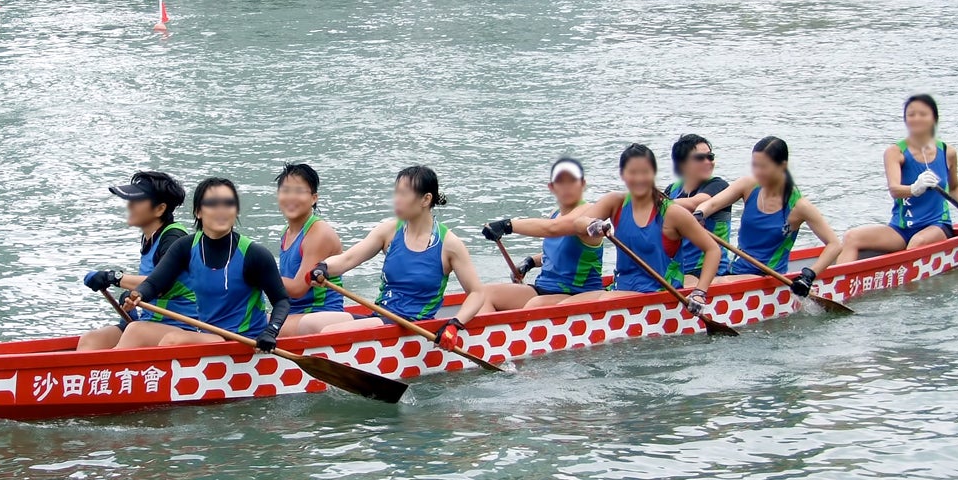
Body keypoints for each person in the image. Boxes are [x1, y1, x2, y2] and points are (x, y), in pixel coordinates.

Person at [305, 166, 487, 349]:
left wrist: (455, 324)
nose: (396, 201)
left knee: (329, 334)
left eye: (403, 194)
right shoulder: (390, 231)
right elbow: (347, 259)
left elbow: (477, 293)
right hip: (381, 316)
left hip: (411, 325)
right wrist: (323, 267)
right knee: (309, 324)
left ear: (426, 199)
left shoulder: (449, 244)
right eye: (396, 193)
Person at [109, 177, 292, 350]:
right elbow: (155, 283)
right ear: (198, 211)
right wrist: (138, 295)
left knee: (175, 340)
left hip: (243, 340)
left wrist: (271, 331)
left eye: (228, 204)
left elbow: (281, 301)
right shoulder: (186, 247)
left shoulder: (254, 254)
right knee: (135, 330)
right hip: (208, 335)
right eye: (212, 204)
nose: (221, 210)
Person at [573, 145, 721, 315]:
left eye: (645, 172)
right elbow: (578, 223)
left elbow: (712, 249)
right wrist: (592, 224)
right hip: (621, 288)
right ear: (622, 175)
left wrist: (700, 293)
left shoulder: (673, 213)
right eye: (633, 173)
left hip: (660, 293)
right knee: (572, 299)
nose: (639, 178)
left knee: (598, 299)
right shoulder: (616, 202)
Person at [838, 94, 958, 262]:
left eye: (923, 114)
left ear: (934, 118)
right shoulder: (895, 152)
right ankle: (839, 283)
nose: (916, 119)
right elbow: (895, 190)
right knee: (851, 237)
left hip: (937, 225)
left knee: (917, 243)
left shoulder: (948, 152)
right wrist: (915, 188)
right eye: (911, 114)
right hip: (901, 228)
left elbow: (954, 187)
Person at [695, 136, 844, 295]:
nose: (757, 172)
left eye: (764, 167)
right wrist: (700, 214)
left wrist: (808, 276)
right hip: (736, 270)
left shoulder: (799, 206)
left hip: (769, 278)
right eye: (755, 165)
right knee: (688, 280)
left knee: (714, 284)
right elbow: (712, 204)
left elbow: (835, 245)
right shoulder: (748, 186)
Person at [77, 171, 193, 351]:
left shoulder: (174, 238)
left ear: (159, 209)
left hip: (185, 327)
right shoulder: (150, 237)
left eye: (137, 201)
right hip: (150, 322)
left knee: (135, 332)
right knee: (91, 340)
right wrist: (129, 296)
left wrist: (112, 277)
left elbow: (160, 283)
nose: (129, 206)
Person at [477, 157, 612, 311]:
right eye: (561, 182)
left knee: (535, 305)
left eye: (572, 181)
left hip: (577, 293)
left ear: (583, 184)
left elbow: (552, 229)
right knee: (482, 294)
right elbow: (558, 252)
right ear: (552, 187)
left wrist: (507, 225)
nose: (566, 187)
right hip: (545, 288)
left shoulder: (589, 214)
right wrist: (529, 262)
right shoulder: (554, 214)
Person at [272, 163, 353, 335]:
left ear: (314, 198)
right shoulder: (286, 233)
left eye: (299, 191)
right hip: (295, 313)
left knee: (253, 326)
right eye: (285, 191)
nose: (291, 197)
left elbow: (297, 289)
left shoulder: (319, 232)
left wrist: (258, 276)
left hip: (319, 315)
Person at [663, 134, 730, 282]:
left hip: (709, 270)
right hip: (678, 268)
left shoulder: (719, 186)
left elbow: (695, 203)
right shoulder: (671, 190)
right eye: (700, 158)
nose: (708, 162)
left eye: (710, 157)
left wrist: (655, 203)